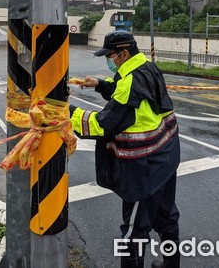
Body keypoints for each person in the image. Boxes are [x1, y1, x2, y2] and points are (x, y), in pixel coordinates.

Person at [69, 30, 180, 268]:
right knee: (166, 215)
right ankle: (171, 265)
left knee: (133, 232)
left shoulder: (130, 80)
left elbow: (101, 126)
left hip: (145, 168)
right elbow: (128, 92)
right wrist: (99, 84)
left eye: (110, 56)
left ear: (124, 53)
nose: (108, 60)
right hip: (167, 155)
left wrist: (67, 113)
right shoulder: (146, 66)